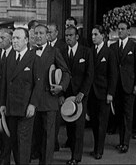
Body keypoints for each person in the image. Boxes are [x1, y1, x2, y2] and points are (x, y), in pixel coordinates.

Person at [0, 27, 39, 165]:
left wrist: (33, 104)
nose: (14, 41)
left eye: (18, 38)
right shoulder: (9, 57)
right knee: (13, 142)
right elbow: (4, 82)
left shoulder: (33, 58)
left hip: (25, 108)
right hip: (11, 108)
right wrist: (2, 104)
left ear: (26, 40)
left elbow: (38, 84)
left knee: (23, 144)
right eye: (13, 38)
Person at [32, 24, 70, 164]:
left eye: (41, 33)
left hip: (49, 100)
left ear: (48, 35)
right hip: (33, 102)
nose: (38, 36)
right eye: (36, 33)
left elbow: (66, 72)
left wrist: (61, 87)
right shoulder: (30, 52)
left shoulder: (54, 52)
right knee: (35, 135)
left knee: (48, 137)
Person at [60, 26, 93, 165]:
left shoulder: (86, 52)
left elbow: (90, 74)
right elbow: (58, 73)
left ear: (77, 37)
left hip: (80, 96)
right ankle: (72, 151)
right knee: (70, 127)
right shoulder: (61, 52)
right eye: (66, 35)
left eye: (71, 35)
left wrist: (83, 92)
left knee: (79, 127)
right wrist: (61, 93)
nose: (68, 38)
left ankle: (76, 157)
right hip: (67, 94)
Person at [110, 21, 136, 153]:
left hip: (129, 86)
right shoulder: (113, 47)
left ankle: (126, 143)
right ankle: (121, 141)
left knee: (128, 115)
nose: (120, 31)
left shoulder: (134, 47)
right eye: (119, 29)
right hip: (117, 86)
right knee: (119, 114)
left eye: (123, 29)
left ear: (128, 31)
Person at [89, 25, 117, 160]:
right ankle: (96, 147)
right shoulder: (90, 51)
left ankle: (99, 150)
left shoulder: (109, 52)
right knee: (94, 122)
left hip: (104, 93)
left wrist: (110, 93)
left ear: (103, 36)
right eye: (92, 35)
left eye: (95, 34)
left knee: (102, 123)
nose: (93, 37)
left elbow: (113, 75)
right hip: (92, 93)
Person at [0, 27, 14, 165]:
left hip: (11, 102)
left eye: (3, 38)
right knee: (0, 132)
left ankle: (5, 159)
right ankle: (3, 156)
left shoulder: (16, 55)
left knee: (9, 133)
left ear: (11, 39)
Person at [47, 22, 67, 152]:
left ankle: (53, 145)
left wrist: (61, 92)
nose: (48, 34)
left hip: (55, 92)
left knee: (54, 122)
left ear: (56, 33)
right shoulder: (38, 48)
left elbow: (64, 71)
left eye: (50, 32)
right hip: (42, 93)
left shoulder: (62, 48)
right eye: (46, 31)